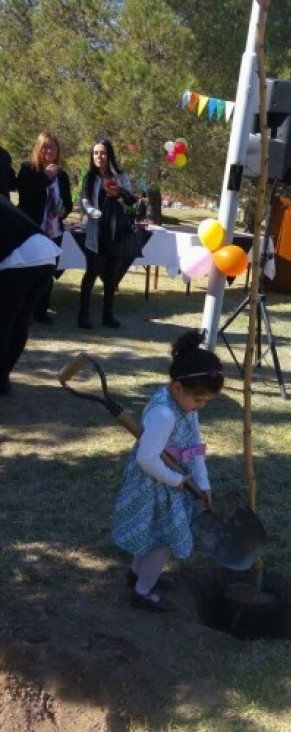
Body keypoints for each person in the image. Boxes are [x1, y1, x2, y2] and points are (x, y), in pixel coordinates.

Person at [111, 329, 224, 612]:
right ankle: (142, 591)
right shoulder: (163, 414)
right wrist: (175, 480)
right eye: (199, 399)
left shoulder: (186, 406)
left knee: (156, 535)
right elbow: (147, 459)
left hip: (174, 479)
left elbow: (195, 446)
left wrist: (203, 483)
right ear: (177, 388)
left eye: (206, 401)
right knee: (164, 540)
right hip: (156, 482)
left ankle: (137, 576)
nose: (201, 406)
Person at [0, 197, 61, 395]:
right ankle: (3, 378)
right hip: (45, 253)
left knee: (6, 320)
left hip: (21, 257)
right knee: (20, 319)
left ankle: (1, 378)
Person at [78, 138, 136, 329]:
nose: (99, 157)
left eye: (102, 153)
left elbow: (131, 202)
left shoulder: (120, 176)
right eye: (95, 153)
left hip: (115, 234)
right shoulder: (90, 178)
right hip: (95, 234)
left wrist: (118, 192)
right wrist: (92, 212)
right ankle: (83, 316)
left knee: (111, 277)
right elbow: (83, 201)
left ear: (109, 154)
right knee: (91, 274)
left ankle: (107, 315)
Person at [17, 131, 73, 324]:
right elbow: (25, 195)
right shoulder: (28, 169)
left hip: (54, 231)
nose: (49, 151)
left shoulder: (62, 174)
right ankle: (24, 310)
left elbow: (68, 202)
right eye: (45, 147)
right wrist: (46, 178)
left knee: (48, 274)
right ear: (38, 149)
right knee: (30, 272)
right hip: (33, 230)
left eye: (52, 147)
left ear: (57, 151)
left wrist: (63, 211)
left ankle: (41, 311)